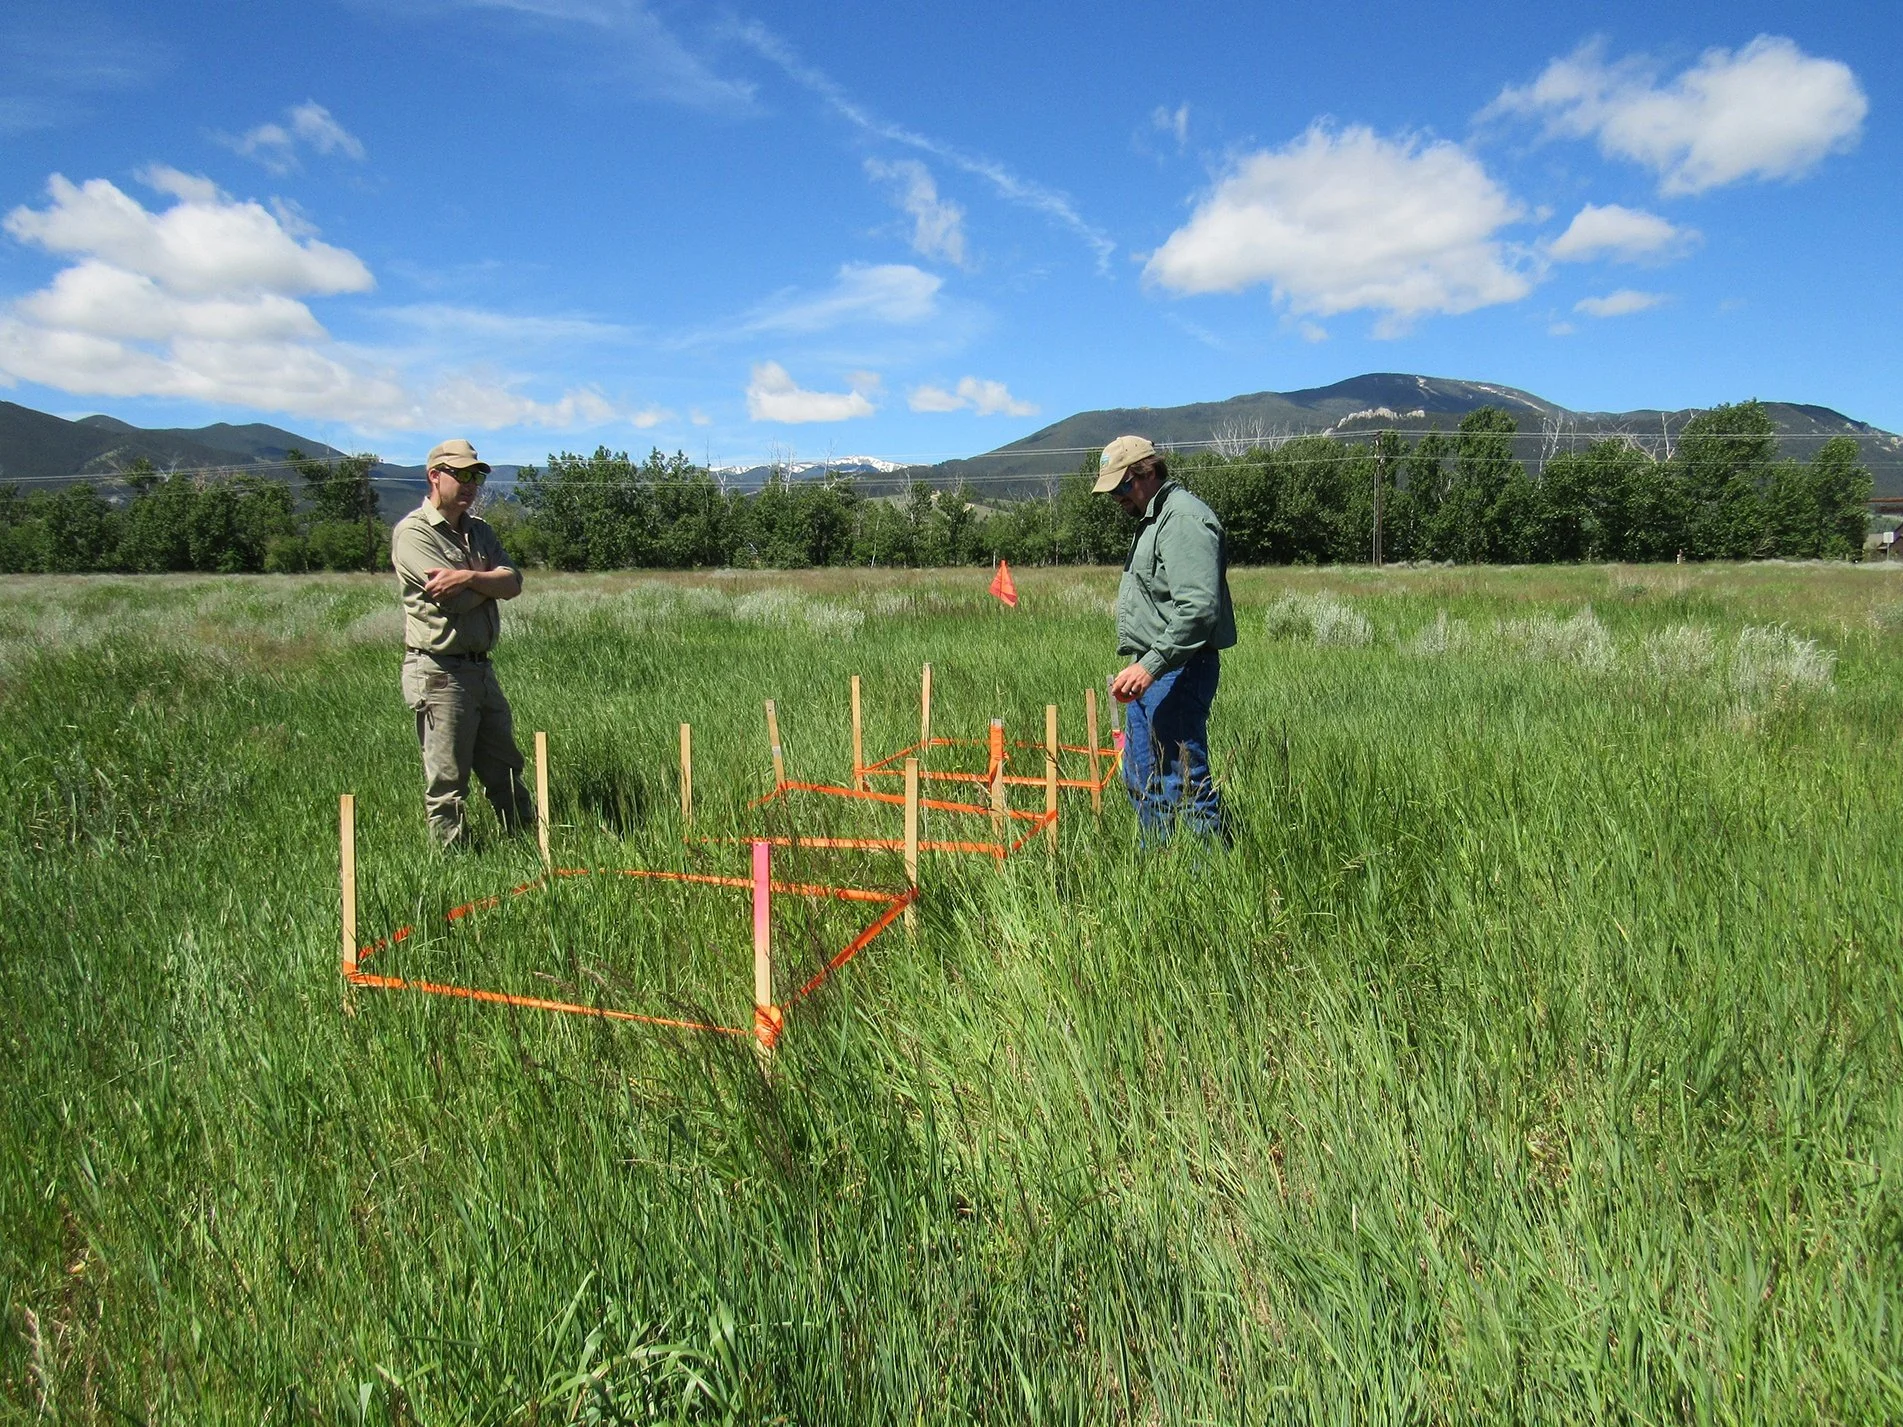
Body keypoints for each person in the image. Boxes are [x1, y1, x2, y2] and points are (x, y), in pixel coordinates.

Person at [391, 438, 535, 847]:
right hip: (438, 670)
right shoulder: (413, 534)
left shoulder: (480, 531)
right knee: (448, 780)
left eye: (477, 476)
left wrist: (470, 576)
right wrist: (486, 582)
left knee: (506, 766)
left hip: (480, 667)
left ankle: (524, 845)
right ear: (435, 476)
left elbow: (514, 583)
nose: (472, 483)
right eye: (462, 474)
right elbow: (451, 600)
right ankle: (454, 867)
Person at [1097, 435, 1237, 842]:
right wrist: (1145, 664)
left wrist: (1150, 664)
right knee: (1143, 780)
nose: (1117, 498)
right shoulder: (1152, 520)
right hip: (1153, 669)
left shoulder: (1183, 519)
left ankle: (1208, 885)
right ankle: (1158, 873)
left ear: (1148, 472)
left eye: (1122, 486)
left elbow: (1197, 610)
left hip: (1178, 668)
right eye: (1112, 491)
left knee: (1184, 784)